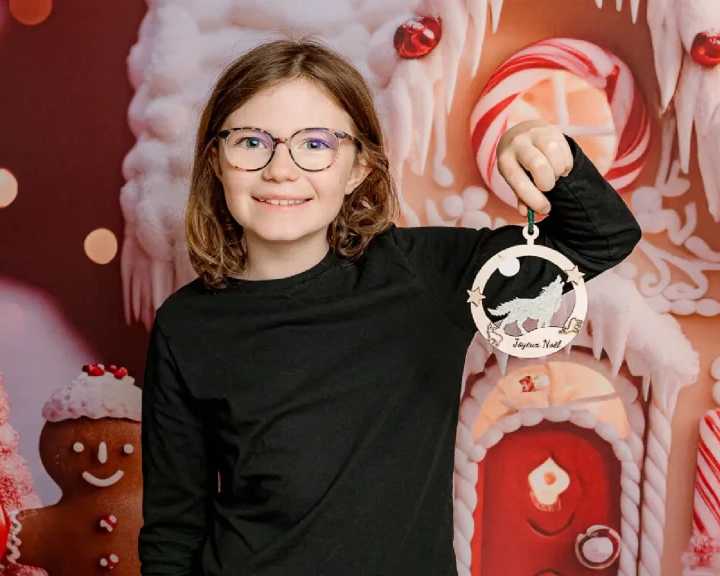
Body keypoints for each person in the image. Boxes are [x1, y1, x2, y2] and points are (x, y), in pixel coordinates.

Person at [138, 36, 642, 576]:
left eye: (314, 144)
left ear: (358, 168)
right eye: (251, 141)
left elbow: (602, 238)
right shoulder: (186, 326)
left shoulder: (425, 275)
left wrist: (536, 140)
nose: (280, 170)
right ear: (217, 161)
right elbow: (174, 528)